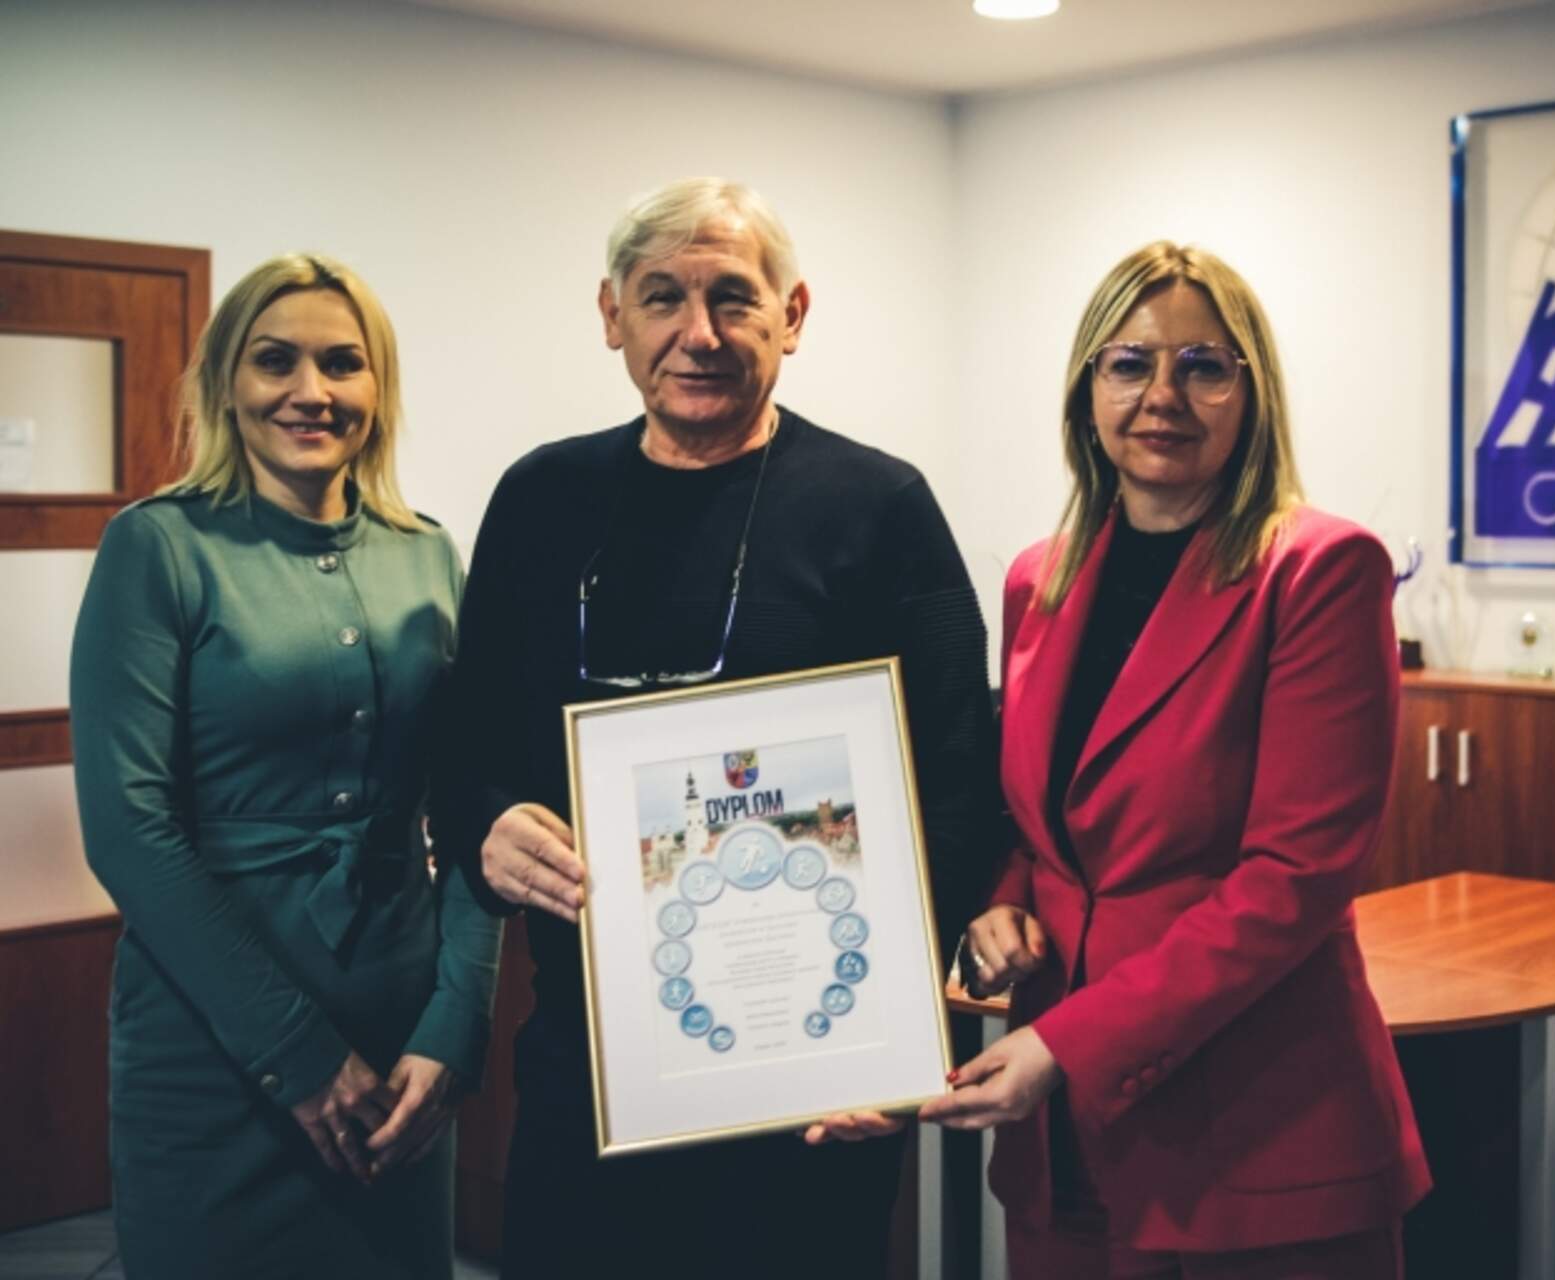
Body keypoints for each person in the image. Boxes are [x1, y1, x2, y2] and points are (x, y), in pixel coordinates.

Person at [433, 176, 997, 1277]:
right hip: (591, 1068)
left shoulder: (881, 507)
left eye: (734, 297)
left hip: (818, 1083)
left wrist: (896, 1030)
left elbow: (959, 779)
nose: (699, 333)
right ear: (613, 316)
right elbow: (466, 743)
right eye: (662, 297)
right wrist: (485, 826)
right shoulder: (542, 499)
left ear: (793, 314)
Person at [919, 242, 1431, 1278]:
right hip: (1062, 1137)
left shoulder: (1321, 571)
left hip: (1255, 1130)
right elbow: (1041, 816)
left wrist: (1068, 1044)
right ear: (1087, 389)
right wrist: (1003, 903)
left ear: (1252, 392)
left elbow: (1293, 879)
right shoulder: (1038, 580)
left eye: (1203, 366)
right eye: (1129, 363)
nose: (1163, 395)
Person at [69, 254, 502, 1279]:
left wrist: (458, 1021)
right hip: (211, 1036)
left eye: (343, 363)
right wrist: (297, 1054)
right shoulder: (158, 547)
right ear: (226, 382)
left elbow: (473, 802)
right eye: (276, 361)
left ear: (377, 387)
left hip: (401, 1032)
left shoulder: (427, 552)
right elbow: (128, 829)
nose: (311, 391)